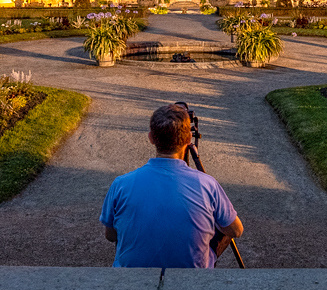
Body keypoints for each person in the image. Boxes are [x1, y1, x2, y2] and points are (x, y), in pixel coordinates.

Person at [100, 103, 244, 268]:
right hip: (191, 278)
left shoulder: (121, 184)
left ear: (151, 138)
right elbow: (236, 231)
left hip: (132, 277)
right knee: (223, 223)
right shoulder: (207, 185)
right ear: (189, 139)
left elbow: (111, 236)